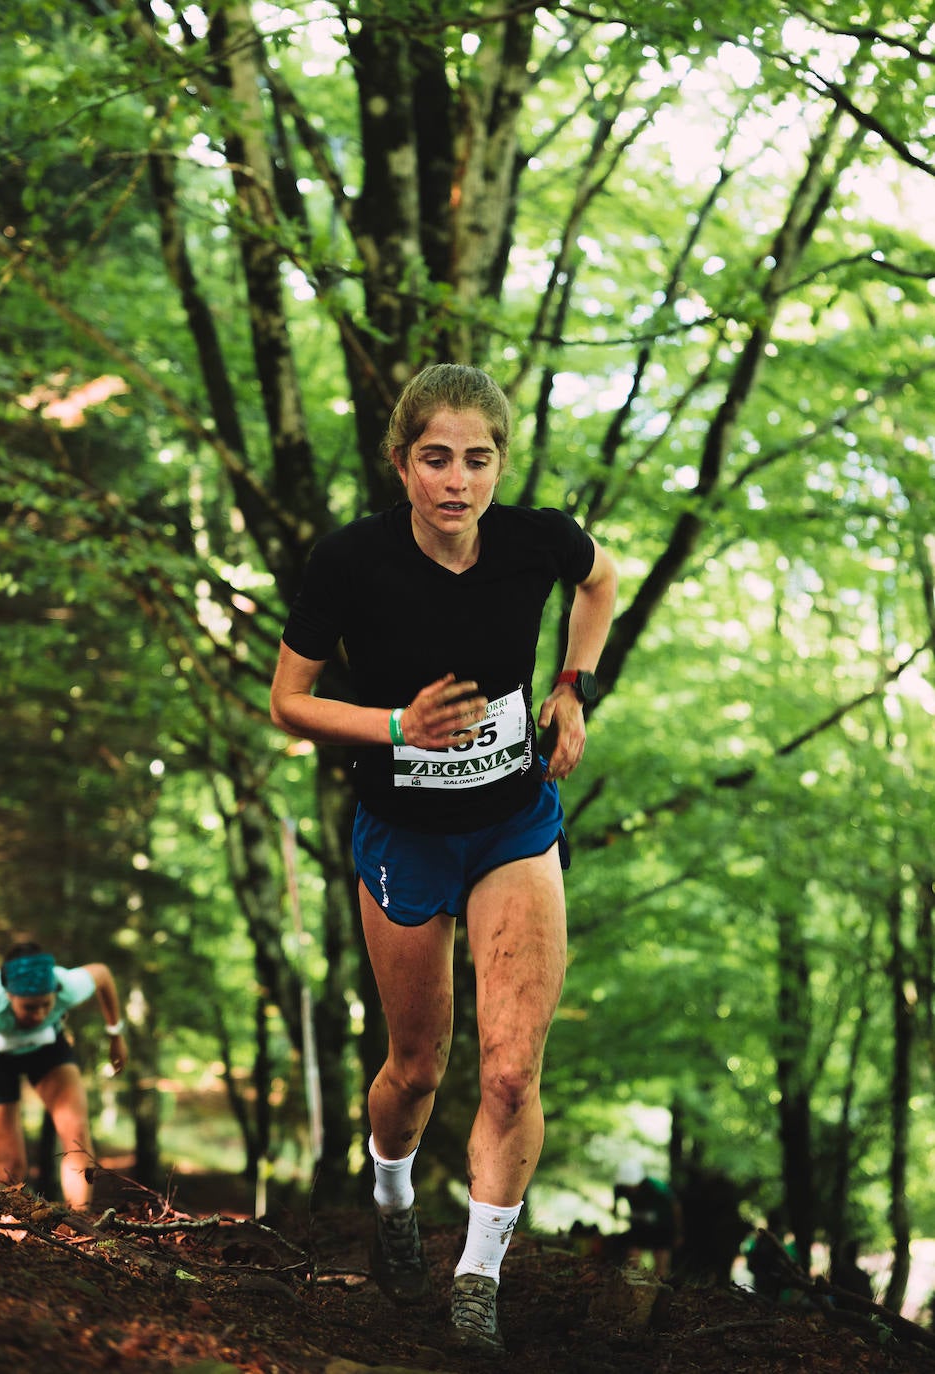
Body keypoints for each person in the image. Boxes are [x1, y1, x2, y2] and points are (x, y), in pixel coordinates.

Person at [270, 363, 618, 1355]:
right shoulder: (351, 562)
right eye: (436, 460)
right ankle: (391, 1196)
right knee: (417, 1068)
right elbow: (288, 701)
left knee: (511, 1072)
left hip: (514, 824)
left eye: (478, 459)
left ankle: (476, 1280)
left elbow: (601, 582)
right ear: (402, 465)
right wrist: (393, 725)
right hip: (404, 832)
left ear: (501, 462)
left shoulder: (536, 542)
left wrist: (571, 689)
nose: (458, 482)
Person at [0, 941, 127, 1211]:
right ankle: (14, 1231)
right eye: (30, 1008)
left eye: (46, 1004)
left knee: (76, 1138)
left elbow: (102, 973)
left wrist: (115, 1035)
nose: (40, 1014)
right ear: (9, 996)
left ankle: (81, 1223)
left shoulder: (66, 986)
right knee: (11, 1167)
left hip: (47, 1049)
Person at [612, 1162, 683, 1279]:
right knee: (632, 1258)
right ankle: (632, 1285)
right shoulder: (620, 1188)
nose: (631, 1188)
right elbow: (616, 1200)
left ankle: (661, 1286)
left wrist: (678, 1231)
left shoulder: (657, 1187)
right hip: (639, 1226)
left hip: (662, 1227)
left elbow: (675, 1206)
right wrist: (615, 1211)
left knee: (661, 1266)